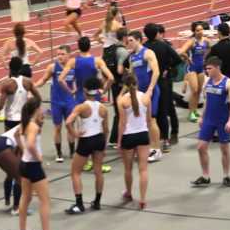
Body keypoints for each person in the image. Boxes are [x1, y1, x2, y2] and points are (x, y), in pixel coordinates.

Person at [59, 36, 114, 173]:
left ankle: (86, 161)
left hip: (79, 97)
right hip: (94, 97)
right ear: (90, 46)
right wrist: (102, 91)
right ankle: (97, 162)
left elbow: (60, 79)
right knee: (98, 128)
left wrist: (71, 91)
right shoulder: (97, 61)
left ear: (78, 47)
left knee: (82, 128)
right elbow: (111, 78)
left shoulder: (73, 61)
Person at [0, 57, 42, 208]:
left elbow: (1, 104)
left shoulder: (7, 84)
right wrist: (32, 109)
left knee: (10, 163)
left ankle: (8, 199)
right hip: (23, 122)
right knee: (19, 160)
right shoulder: (27, 82)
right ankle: (17, 200)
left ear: (9, 68)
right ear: (21, 68)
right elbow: (38, 97)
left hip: (10, 122)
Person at [18, 98, 61, 230]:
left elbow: (18, 137)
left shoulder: (23, 124)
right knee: (45, 201)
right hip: (33, 166)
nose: (42, 109)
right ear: (36, 109)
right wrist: (38, 157)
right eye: (41, 108)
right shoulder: (33, 126)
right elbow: (30, 144)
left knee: (26, 197)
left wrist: (24, 151)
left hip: (24, 164)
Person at [65, 77, 109, 214]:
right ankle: (97, 202)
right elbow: (106, 129)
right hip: (99, 139)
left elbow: (68, 122)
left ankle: (79, 204)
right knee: (98, 172)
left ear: (84, 90)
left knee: (75, 172)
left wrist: (75, 133)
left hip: (86, 140)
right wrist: (104, 146)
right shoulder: (103, 108)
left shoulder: (81, 107)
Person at [191, 56, 230, 187]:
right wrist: (201, 116)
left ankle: (226, 176)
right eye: (206, 69)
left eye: (209, 68)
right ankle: (205, 176)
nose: (207, 71)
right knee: (201, 147)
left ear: (217, 68)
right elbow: (207, 101)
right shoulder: (207, 82)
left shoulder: (229, 83)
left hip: (222, 120)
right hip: (209, 119)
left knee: (224, 149)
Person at [143, 23, 182, 152]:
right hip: (163, 82)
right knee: (163, 112)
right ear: (156, 33)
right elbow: (177, 59)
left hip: (149, 83)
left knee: (151, 114)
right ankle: (165, 140)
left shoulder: (144, 48)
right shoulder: (163, 45)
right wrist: (168, 67)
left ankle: (154, 141)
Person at [35, 45, 76, 162]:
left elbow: (77, 82)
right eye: (58, 54)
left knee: (70, 127)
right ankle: (59, 153)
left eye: (62, 54)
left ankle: (72, 152)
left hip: (69, 102)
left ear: (69, 55)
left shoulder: (74, 67)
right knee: (57, 128)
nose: (60, 57)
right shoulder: (52, 67)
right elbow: (43, 80)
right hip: (56, 102)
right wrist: (33, 86)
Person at [126, 30, 163, 162]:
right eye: (127, 41)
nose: (128, 43)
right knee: (143, 121)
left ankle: (157, 149)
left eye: (131, 40)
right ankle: (149, 147)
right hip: (139, 93)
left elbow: (156, 72)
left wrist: (150, 89)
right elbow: (131, 76)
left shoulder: (148, 53)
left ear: (139, 40)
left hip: (150, 91)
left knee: (152, 120)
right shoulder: (131, 57)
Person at [117, 73, 151, 210]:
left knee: (128, 168)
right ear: (137, 83)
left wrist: (119, 141)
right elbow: (149, 120)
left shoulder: (122, 101)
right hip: (143, 134)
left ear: (125, 85)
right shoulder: (146, 98)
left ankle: (129, 192)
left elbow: (122, 123)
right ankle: (142, 199)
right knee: (143, 169)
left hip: (128, 136)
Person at [206, 22, 230, 137]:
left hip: (221, 80)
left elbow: (209, 61)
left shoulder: (215, 48)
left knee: (217, 105)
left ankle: (216, 131)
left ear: (218, 33)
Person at [99, 27, 130, 146]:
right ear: (125, 37)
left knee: (118, 112)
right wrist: (129, 70)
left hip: (113, 84)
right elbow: (120, 70)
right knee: (122, 112)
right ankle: (119, 139)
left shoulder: (110, 49)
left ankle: (114, 138)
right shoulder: (123, 51)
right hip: (121, 84)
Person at [178, 22, 212, 123]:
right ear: (194, 31)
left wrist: (205, 58)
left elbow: (210, 48)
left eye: (201, 30)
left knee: (199, 90)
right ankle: (191, 113)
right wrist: (188, 58)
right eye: (197, 30)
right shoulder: (192, 41)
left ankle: (195, 110)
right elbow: (181, 52)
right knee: (194, 90)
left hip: (201, 68)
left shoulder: (206, 40)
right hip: (192, 68)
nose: (200, 32)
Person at [0, 124, 24, 216]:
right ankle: (16, 208)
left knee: (11, 174)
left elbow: (17, 150)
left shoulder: (23, 124)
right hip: (3, 147)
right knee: (20, 177)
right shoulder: (30, 128)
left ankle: (7, 201)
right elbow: (22, 150)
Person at [156, 24, 181, 145]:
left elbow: (176, 60)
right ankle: (162, 132)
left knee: (170, 106)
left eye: (159, 34)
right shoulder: (154, 46)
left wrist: (168, 68)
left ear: (161, 34)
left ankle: (174, 132)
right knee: (160, 108)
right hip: (158, 80)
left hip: (167, 79)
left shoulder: (166, 45)